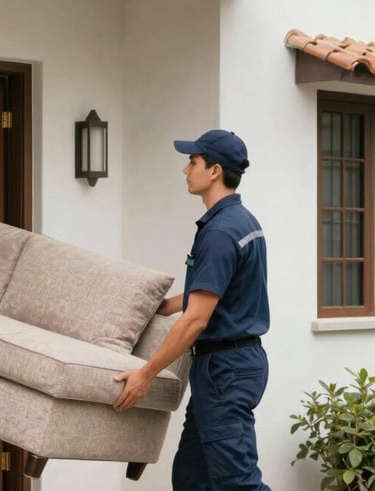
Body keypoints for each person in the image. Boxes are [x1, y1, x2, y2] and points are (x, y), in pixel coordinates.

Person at [113, 129, 270, 490]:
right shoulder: (243, 222)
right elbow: (219, 292)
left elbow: (197, 318)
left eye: (193, 162)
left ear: (214, 171)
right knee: (191, 479)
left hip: (225, 371)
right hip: (227, 367)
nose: (186, 170)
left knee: (238, 483)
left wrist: (145, 374)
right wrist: (164, 306)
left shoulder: (219, 232)